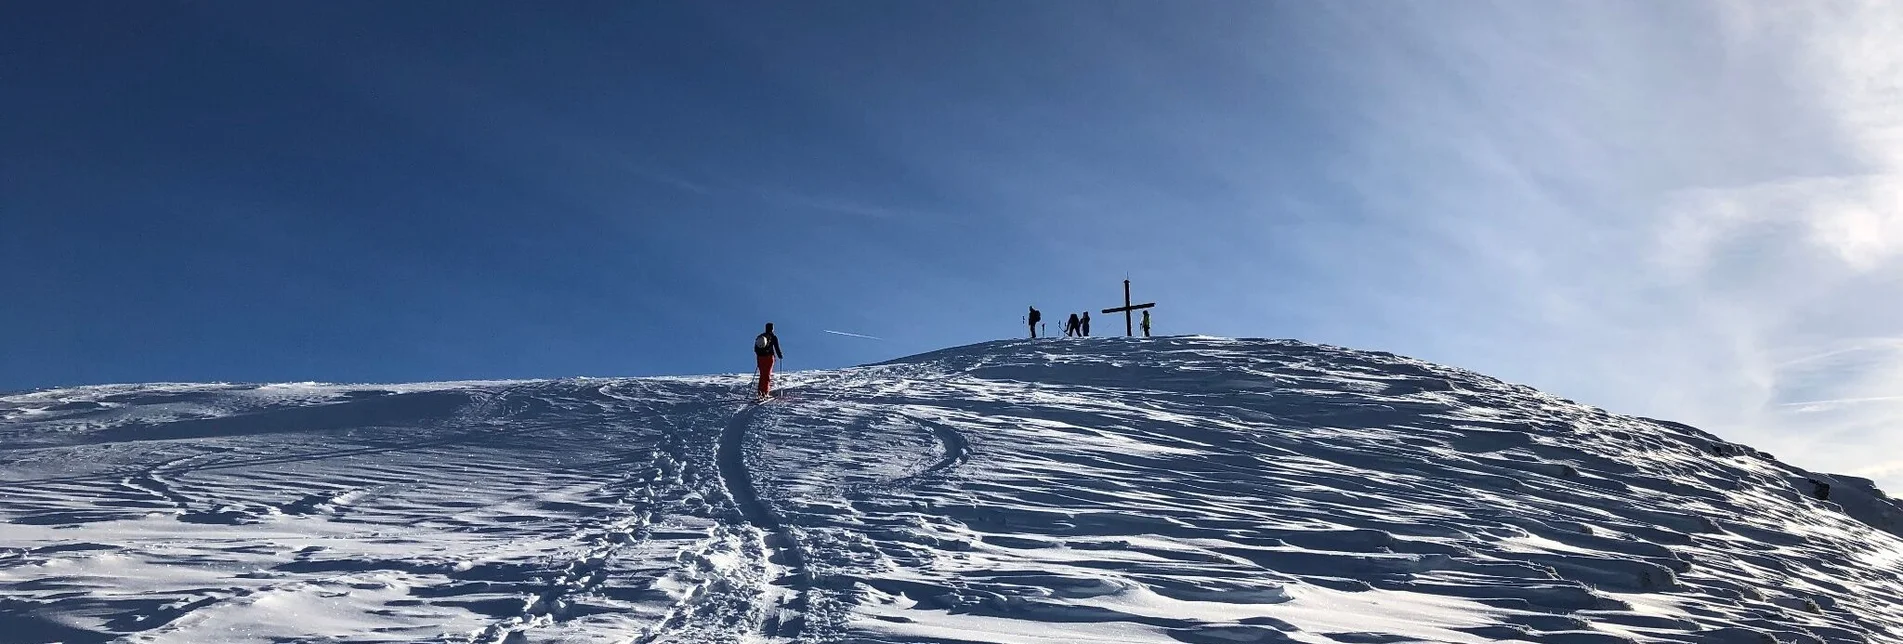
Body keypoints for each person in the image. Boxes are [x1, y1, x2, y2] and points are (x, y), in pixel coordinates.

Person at [754, 323, 783, 398]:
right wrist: (780, 355)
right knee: (767, 375)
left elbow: (755, 349)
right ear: (772, 328)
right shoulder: (773, 337)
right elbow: (777, 348)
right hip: (769, 357)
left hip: (760, 358)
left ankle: (760, 392)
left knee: (762, 375)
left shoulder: (760, 336)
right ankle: (765, 393)